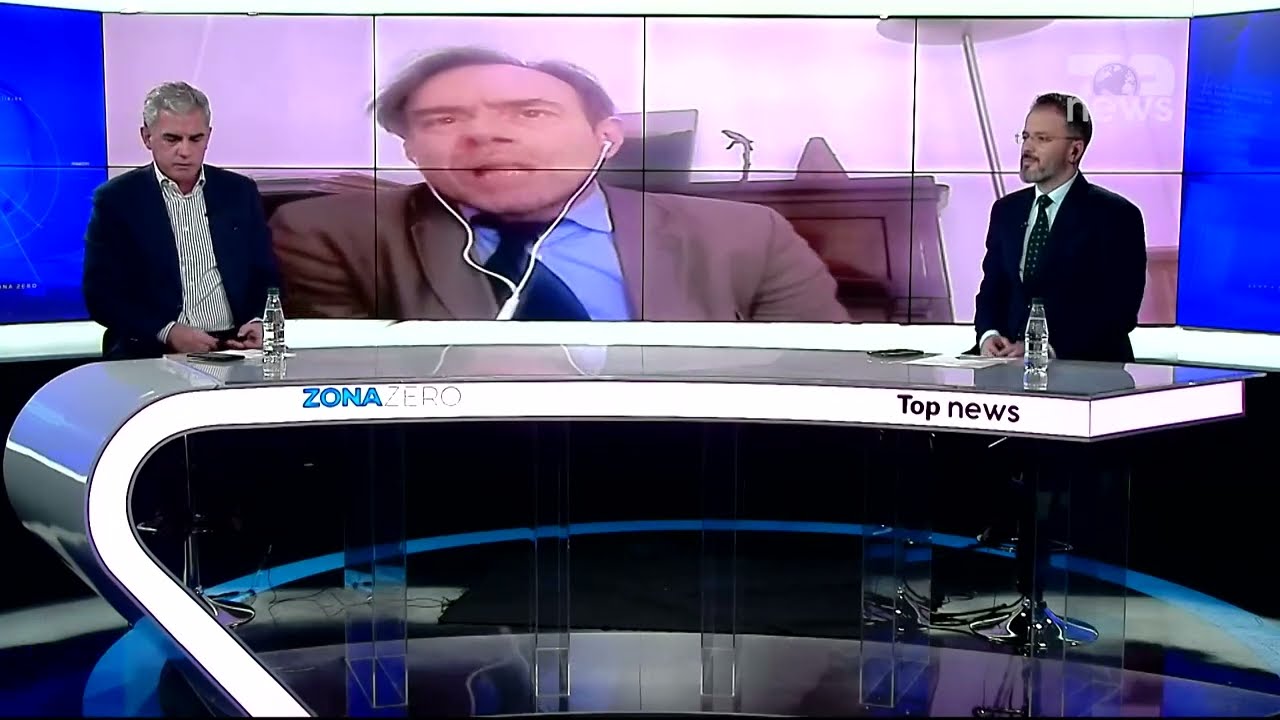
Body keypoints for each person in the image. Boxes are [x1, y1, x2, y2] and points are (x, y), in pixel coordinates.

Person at [268, 47, 848, 323]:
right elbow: (342, 396)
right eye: (443, 120)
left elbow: (816, 381)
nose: (484, 134)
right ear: (412, 151)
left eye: (530, 113)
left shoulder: (746, 235)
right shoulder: (332, 235)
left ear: (607, 138)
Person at [83, 82, 280, 360]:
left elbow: (266, 273)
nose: (185, 151)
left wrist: (260, 320)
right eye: (172, 139)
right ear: (147, 137)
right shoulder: (116, 200)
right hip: (151, 350)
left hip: (232, 347)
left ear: (208, 136)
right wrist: (168, 331)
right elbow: (101, 295)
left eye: (195, 139)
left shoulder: (239, 192)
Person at [973, 93, 1147, 363]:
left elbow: (1119, 311)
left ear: (1074, 151)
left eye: (1042, 139)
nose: (1027, 148)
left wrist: (1044, 349)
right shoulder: (1006, 211)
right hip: (1006, 365)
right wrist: (989, 335)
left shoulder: (1116, 215)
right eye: (1026, 136)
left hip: (1085, 368)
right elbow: (992, 288)